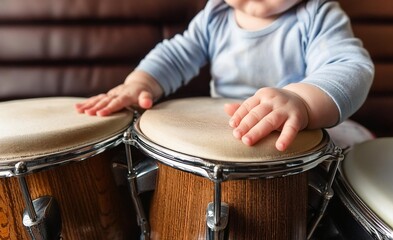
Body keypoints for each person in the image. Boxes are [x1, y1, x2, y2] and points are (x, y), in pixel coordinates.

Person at [75, 0, 374, 151]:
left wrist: (302, 101)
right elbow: (177, 55)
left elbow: (350, 66)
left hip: (299, 134)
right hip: (230, 131)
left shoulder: (317, 15)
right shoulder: (215, 15)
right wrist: (139, 83)